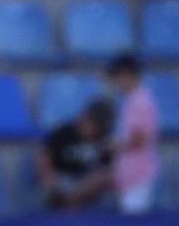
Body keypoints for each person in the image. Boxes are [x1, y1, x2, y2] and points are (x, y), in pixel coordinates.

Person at [105, 53, 162, 212]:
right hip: (129, 172)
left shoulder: (140, 101)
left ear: (126, 75)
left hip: (138, 173)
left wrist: (111, 145)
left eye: (117, 77)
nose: (116, 83)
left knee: (134, 224)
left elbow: (139, 140)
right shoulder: (130, 100)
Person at [34, 98, 114, 210]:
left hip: (89, 187)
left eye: (96, 128)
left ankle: (67, 200)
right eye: (88, 122)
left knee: (102, 177)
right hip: (63, 181)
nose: (91, 129)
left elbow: (108, 170)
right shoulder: (64, 132)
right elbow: (43, 157)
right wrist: (48, 180)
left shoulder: (104, 140)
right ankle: (68, 201)